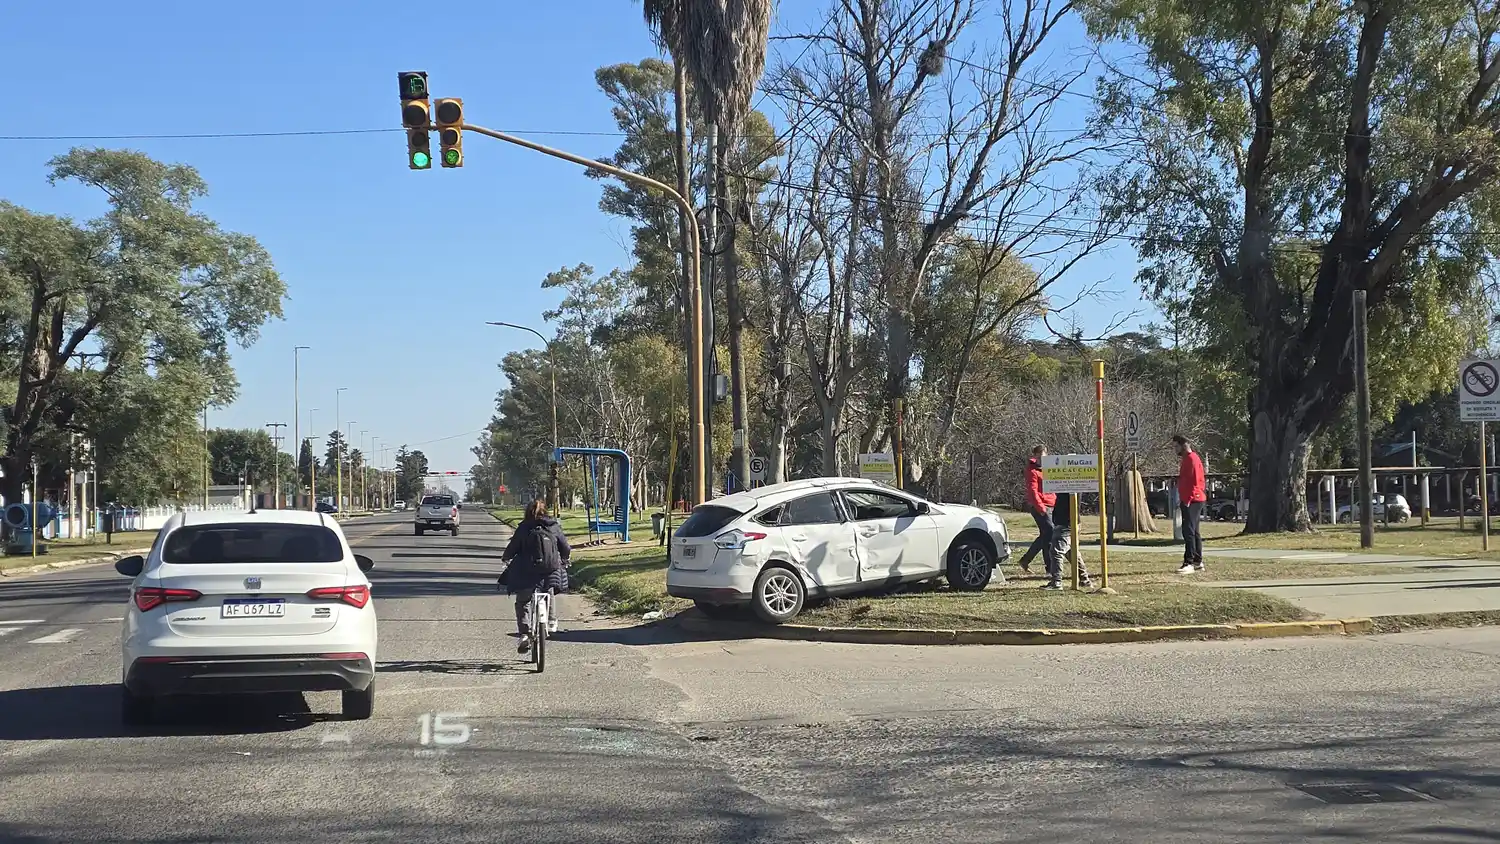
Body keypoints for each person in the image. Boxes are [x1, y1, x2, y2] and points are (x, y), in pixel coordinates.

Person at [500, 500, 572, 653]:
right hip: (550, 569)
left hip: (526, 571)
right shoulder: (553, 527)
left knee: (523, 602)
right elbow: (565, 547)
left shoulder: (524, 528)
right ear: (546, 511)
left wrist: (506, 558)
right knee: (549, 589)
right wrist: (564, 559)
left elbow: (512, 548)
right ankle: (551, 620)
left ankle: (525, 633)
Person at [1017, 445, 1057, 576]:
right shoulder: (1032, 470)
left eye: (1043, 455)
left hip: (1051, 504)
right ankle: (1031, 561)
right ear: (1035, 456)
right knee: (1050, 532)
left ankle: (1045, 567)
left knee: (1047, 536)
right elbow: (1033, 491)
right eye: (1038, 456)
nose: (1041, 458)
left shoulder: (1049, 468)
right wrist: (1041, 508)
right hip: (1040, 506)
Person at [1043, 490, 1092, 590]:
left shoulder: (1069, 485)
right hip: (1071, 521)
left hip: (1066, 522)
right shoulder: (1073, 486)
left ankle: (1056, 582)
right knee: (1072, 552)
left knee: (1056, 552)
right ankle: (1084, 580)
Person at [1173, 434, 1207, 573]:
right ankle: (1198, 561)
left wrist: (1187, 499)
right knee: (1194, 531)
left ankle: (1189, 562)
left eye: (1176, 446)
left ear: (1183, 445)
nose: (1175, 449)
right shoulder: (1188, 459)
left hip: (1193, 499)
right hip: (1192, 499)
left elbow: (1194, 481)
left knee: (1189, 531)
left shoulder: (1191, 459)